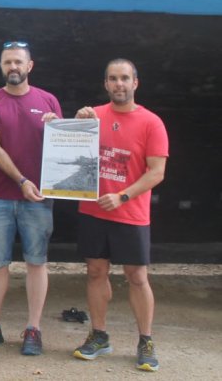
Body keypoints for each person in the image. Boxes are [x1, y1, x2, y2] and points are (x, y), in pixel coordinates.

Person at [0, 41, 61, 356]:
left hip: (39, 199)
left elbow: (64, 148)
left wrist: (58, 127)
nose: (13, 67)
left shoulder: (48, 101)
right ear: (1, 66)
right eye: (8, 62)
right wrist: (21, 180)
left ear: (30, 66)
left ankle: (33, 329)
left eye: (19, 62)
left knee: (37, 262)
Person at [72, 59, 168, 372]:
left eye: (125, 78)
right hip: (92, 210)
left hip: (130, 213)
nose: (119, 84)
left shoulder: (152, 122)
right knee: (96, 272)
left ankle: (146, 340)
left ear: (135, 83)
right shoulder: (94, 116)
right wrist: (76, 122)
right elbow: (70, 148)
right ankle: (99, 335)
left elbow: (157, 172)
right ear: (106, 84)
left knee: (137, 277)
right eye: (113, 79)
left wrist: (123, 195)